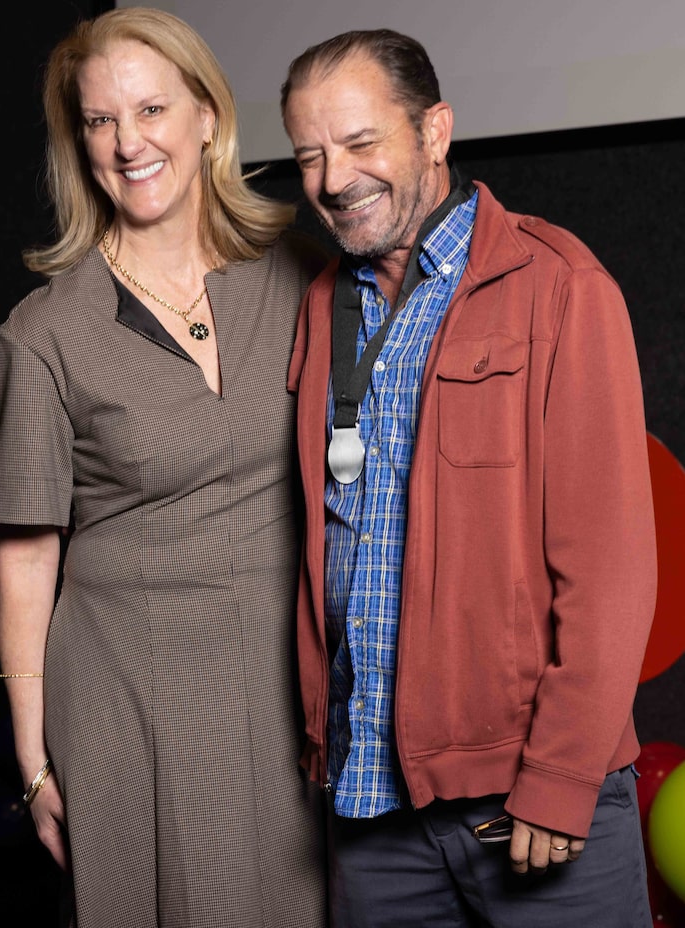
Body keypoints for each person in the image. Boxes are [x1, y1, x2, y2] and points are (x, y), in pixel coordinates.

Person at [280, 28, 658, 928]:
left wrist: (562, 778)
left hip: (526, 806)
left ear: (435, 132)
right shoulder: (324, 302)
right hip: (370, 806)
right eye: (309, 156)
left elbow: (610, 568)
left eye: (362, 143)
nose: (334, 179)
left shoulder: (560, 285)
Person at [0, 8, 329, 927]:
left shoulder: (299, 274)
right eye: (101, 121)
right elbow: (26, 560)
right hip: (131, 692)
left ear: (208, 115)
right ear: (80, 141)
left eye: (150, 110)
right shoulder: (43, 333)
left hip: (283, 689)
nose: (129, 142)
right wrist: (34, 763)